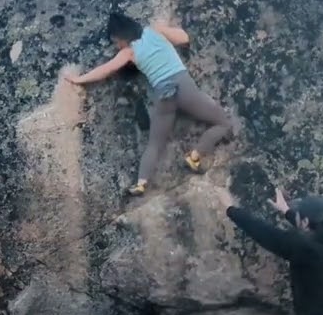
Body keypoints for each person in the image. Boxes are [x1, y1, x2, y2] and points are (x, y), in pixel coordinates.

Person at [63, 12, 237, 196]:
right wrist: (165, 28)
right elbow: (184, 37)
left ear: (120, 36)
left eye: (116, 41)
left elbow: (105, 70)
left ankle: (141, 183)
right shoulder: (155, 31)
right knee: (223, 123)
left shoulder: (128, 52)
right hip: (185, 89)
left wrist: (78, 79)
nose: (117, 45)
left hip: (163, 96)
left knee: (155, 143)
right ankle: (195, 156)